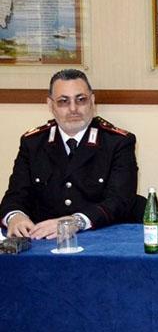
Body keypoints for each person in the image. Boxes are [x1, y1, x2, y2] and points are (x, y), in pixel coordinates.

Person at [1, 69, 141, 239]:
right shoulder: (33, 143)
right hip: (45, 242)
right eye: (63, 101)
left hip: (101, 238)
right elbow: (15, 195)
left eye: (81, 100)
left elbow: (120, 201)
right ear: (50, 105)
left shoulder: (118, 142)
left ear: (92, 101)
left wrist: (76, 222)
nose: (73, 109)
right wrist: (15, 216)